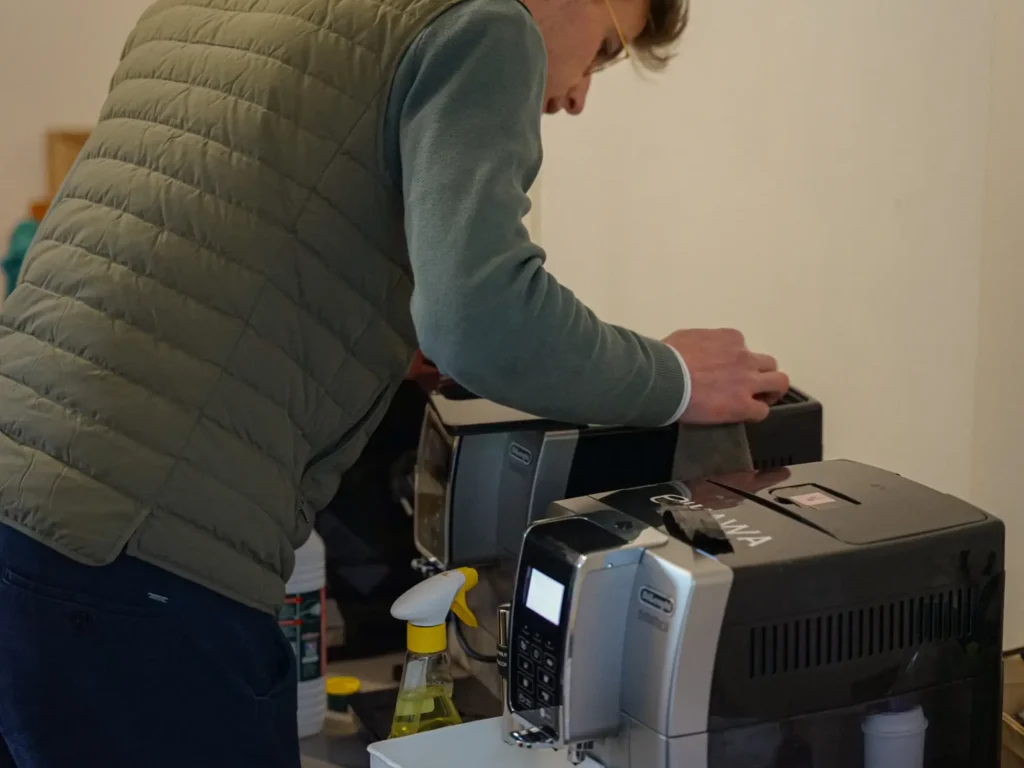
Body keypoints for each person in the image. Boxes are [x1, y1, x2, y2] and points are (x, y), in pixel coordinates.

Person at [0, 0, 789, 765]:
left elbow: (202, 235)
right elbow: (485, 322)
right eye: (609, 49)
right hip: (134, 558)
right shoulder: (483, 23)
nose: (580, 93)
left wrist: (371, 328)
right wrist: (678, 377)